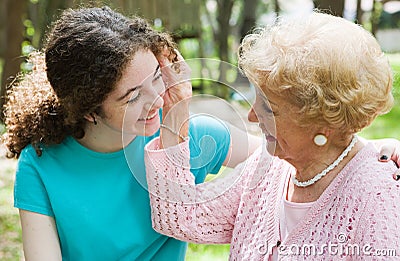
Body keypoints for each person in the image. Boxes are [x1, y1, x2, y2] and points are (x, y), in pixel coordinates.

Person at [1, 6, 261, 261]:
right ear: (89, 110)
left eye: (157, 77)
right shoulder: (39, 164)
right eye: (133, 96)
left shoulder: (187, 136)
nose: (157, 102)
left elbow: (287, 163)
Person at [144, 11, 400, 260]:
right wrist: (176, 106)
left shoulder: (378, 197)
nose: (253, 117)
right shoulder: (268, 168)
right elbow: (183, 218)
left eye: (269, 108)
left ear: (322, 122)